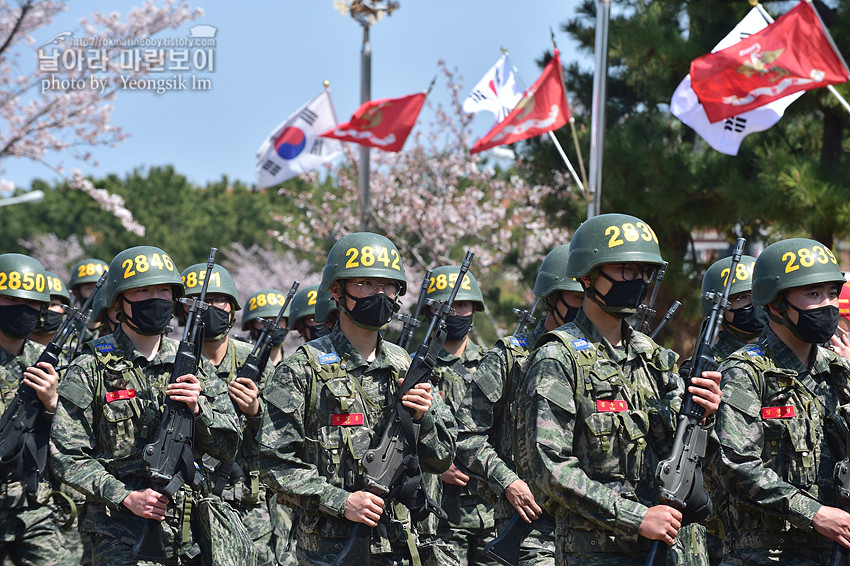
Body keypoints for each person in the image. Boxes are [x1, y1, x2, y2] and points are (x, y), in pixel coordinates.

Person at [516, 213, 722, 565]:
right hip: (597, 553)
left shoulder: (653, 357)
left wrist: (704, 419)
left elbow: (689, 457)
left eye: (645, 271)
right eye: (626, 269)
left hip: (671, 550)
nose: (639, 280)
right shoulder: (557, 357)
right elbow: (550, 469)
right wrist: (635, 517)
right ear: (588, 275)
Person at [258, 232, 457, 566]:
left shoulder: (405, 366)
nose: (379, 295)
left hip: (401, 548)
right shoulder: (301, 370)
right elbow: (274, 462)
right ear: (337, 290)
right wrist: (339, 501)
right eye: (365, 283)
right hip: (329, 551)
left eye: (388, 286)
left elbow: (440, 459)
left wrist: (424, 420)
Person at [49, 245, 241, 565]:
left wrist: (199, 410)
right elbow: (66, 455)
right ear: (118, 302)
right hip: (116, 532)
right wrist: (124, 496)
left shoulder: (194, 365)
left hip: (187, 532)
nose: (156, 298)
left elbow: (229, 445)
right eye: (142, 290)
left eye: (164, 290)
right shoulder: (91, 366)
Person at [715, 238, 850, 565]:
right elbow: (737, 465)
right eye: (813, 294)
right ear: (775, 305)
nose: (828, 306)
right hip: (768, 554)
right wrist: (814, 513)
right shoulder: (744, 372)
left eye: (832, 293)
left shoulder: (840, 371)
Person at [454, 243, 584, 566]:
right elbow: (466, 434)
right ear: (552, 298)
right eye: (576, 298)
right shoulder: (510, 357)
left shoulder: (596, 361)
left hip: (589, 528)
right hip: (530, 530)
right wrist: (507, 481)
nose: (585, 306)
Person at [180, 262, 287, 566]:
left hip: (249, 505)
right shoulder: (171, 362)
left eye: (218, 300)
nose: (209, 308)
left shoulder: (258, 364)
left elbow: (283, 436)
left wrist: (255, 411)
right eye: (199, 302)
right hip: (186, 507)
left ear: (232, 309)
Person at [0, 253, 72, 566]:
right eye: (11, 300)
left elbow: (76, 439)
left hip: (33, 505)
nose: (23, 309)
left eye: (32, 303)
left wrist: (53, 404)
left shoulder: (48, 364)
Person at [415, 265, 489, 566]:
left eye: (462, 304)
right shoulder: (413, 368)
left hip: (490, 510)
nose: (455, 313)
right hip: (439, 514)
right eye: (445, 306)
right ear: (430, 311)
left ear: (474, 308)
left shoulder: (492, 364)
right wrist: (436, 464)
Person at [697, 255, 763, 565]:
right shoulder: (705, 367)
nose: (750, 304)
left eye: (753, 294)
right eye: (739, 298)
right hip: (726, 523)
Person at [242, 288, 291, 367]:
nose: (272, 326)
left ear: (287, 325)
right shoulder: (240, 362)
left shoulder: (295, 364)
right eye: (265, 321)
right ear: (252, 326)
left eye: (279, 321)